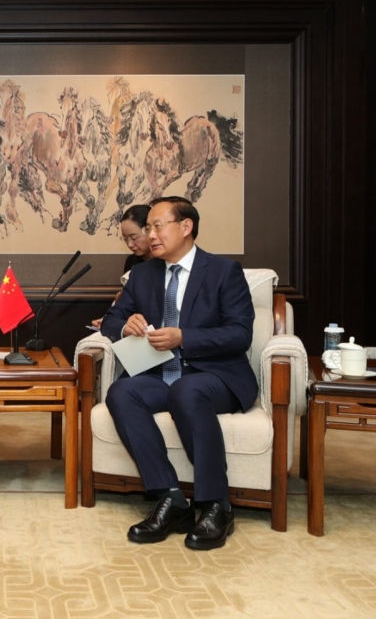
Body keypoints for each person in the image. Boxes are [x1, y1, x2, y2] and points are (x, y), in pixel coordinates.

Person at [99, 195, 256, 550]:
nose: (151, 235)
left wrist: (184, 337)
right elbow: (111, 319)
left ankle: (216, 505)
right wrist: (125, 325)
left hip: (215, 376)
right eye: (148, 228)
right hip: (161, 374)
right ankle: (170, 498)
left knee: (188, 390)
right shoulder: (142, 275)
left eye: (158, 226)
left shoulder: (223, 271)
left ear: (186, 227)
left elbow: (239, 334)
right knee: (122, 391)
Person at [90, 205, 153, 328]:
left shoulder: (166, 261)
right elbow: (127, 305)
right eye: (125, 239)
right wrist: (109, 319)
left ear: (149, 231)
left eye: (134, 238)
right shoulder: (132, 262)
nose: (130, 244)